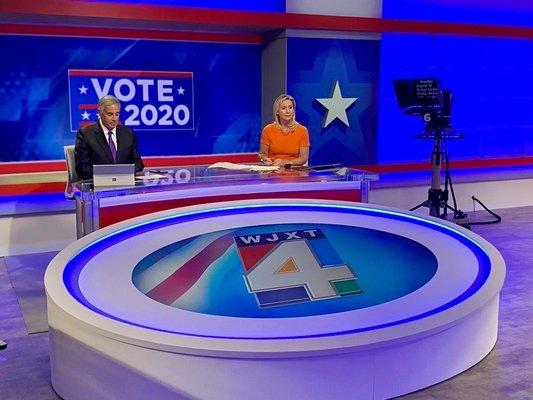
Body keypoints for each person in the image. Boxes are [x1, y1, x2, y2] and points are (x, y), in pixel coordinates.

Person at [74, 95, 144, 180]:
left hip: (124, 184)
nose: (114, 118)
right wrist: (109, 173)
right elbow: (82, 168)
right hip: (96, 186)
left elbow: (138, 164)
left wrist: (121, 173)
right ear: (100, 113)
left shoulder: (128, 134)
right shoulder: (86, 134)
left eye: (117, 114)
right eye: (110, 114)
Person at [259, 94, 310, 167]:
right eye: (283, 108)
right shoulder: (268, 130)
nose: (288, 111)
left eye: (290, 107)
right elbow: (262, 154)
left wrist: (287, 162)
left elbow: (303, 158)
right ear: (277, 111)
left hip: (295, 171)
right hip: (272, 170)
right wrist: (264, 159)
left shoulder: (302, 130)